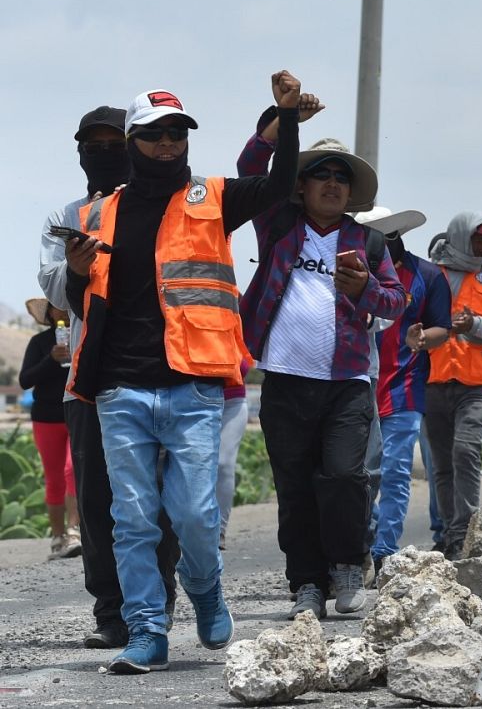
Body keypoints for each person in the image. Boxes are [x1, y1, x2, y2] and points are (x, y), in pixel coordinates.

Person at [65, 75, 308, 672]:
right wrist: (74, 272)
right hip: (121, 390)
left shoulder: (214, 197)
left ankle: (205, 591)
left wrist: (286, 118)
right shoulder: (97, 213)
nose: (168, 143)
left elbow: (280, 185)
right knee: (133, 519)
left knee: (196, 516)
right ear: (131, 142)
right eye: (154, 135)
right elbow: (84, 302)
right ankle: (146, 631)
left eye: (177, 132)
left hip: (193, 386)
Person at [240, 121, 407, 619]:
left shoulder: (369, 243)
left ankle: (348, 566)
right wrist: (276, 126)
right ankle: (307, 585)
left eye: (341, 176)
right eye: (320, 173)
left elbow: (397, 301)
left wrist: (364, 292)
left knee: (345, 477)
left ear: (350, 191)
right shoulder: (277, 225)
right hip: (285, 380)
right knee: (293, 486)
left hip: (347, 385)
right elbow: (250, 170)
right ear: (300, 184)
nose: (332, 182)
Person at [40, 104, 180, 650]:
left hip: (158, 373)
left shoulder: (165, 207)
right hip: (90, 380)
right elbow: (54, 287)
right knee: (98, 500)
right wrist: (77, 267)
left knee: (156, 500)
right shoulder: (68, 214)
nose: (102, 153)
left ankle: (158, 602)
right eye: (91, 144)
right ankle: (111, 610)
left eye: (111, 142)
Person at [353, 207, 453, 566]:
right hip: (357, 385)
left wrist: (422, 338)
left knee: (395, 471)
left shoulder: (427, 275)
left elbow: (443, 327)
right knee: (360, 473)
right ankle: (362, 542)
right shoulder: (350, 274)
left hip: (404, 388)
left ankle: (384, 550)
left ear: (392, 236)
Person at [426, 213, 482, 555]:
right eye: (478, 239)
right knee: (442, 464)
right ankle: (452, 535)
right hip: (434, 379)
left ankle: (466, 529)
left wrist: (475, 325)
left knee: (465, 450)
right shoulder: (432, 272)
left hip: (476, 383)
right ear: (461, 237)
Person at [20, 298, 81, 560]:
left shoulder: (82, 335)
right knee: (54, 478)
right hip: (46, 418)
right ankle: (57, 538)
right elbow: (24, 380)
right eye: (57, 305)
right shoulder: (39, 343)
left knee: (73, 470)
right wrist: (51, 359)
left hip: (76, 413)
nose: (63, 310)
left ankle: (74, 531)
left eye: (67, 304)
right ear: (49, 312)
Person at [215, 359, 252, 550]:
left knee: (223, 464)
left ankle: (219, 530)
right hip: (191, 401)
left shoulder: (236, 328)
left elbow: (244, 367)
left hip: (232, 401)